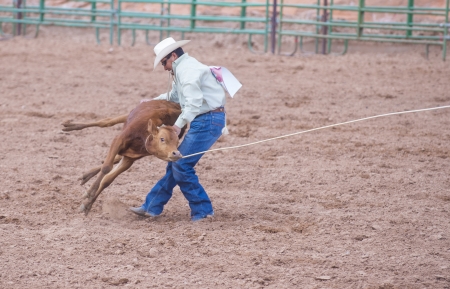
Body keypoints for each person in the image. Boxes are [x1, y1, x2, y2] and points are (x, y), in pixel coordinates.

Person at [130, 37, 226, 221]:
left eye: (164, 62)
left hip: (208, 119)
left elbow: (193, 103)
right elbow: (174, 96)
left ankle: (203, 211)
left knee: (181, 163)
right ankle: (152, 206)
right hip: (208, 119)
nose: (164, 67)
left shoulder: (187, 72)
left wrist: (177, 125)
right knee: (176, 162)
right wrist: (153, 101)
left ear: (173, 56)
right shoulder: (184, 69)